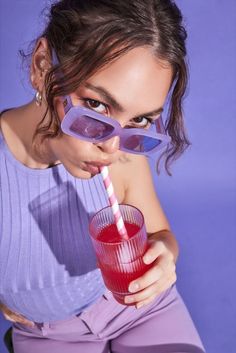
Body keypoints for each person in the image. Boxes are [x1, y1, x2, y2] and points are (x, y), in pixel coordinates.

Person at [0, 1, 206, 352]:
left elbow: (160, 234)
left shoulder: (124, 154)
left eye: (139, 120)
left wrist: (166, 257)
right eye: (96, 105)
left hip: (142, 311)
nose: (112, 147)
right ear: (42, 65)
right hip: (49, 332)